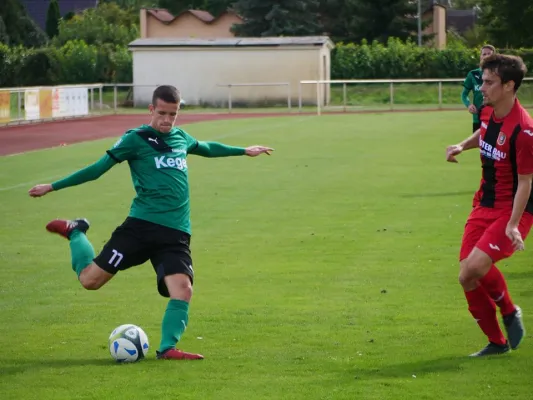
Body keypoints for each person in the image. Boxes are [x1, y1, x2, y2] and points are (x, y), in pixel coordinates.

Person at [28, 85, 273, 360]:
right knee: (90, 281)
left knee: (183, 289)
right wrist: (53, 186)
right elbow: (97, 170)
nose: (167, 120)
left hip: (176, 232)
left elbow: (206, 148)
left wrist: (243, 150)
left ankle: (167, 348)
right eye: (162, 113)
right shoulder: (136, 139)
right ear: (151, 109)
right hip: (141, 228)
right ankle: (76, 231)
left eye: (173, 114)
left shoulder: (180, 137)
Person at [446, 54, 533, 356]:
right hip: (483, 203)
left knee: (476, 265)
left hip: (512, 211)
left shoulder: (524, 130)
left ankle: (509, 312)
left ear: (509, 86)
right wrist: (461, 145)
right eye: (482, 81)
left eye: (489, 82)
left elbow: (526, 181)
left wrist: (512, 225)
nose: (481, 88)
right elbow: (483, 134)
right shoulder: (487, 111)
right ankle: (497, 343)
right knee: (466, 277)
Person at [461, 44, 496, 132]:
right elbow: (464, 94)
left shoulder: (498, 74)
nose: (486, 56)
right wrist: (469, 105)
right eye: (484, 54)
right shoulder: (472, 74)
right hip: (478, 117)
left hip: (495, 117)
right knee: (480, 144)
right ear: (480, 56)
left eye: (489, 54)